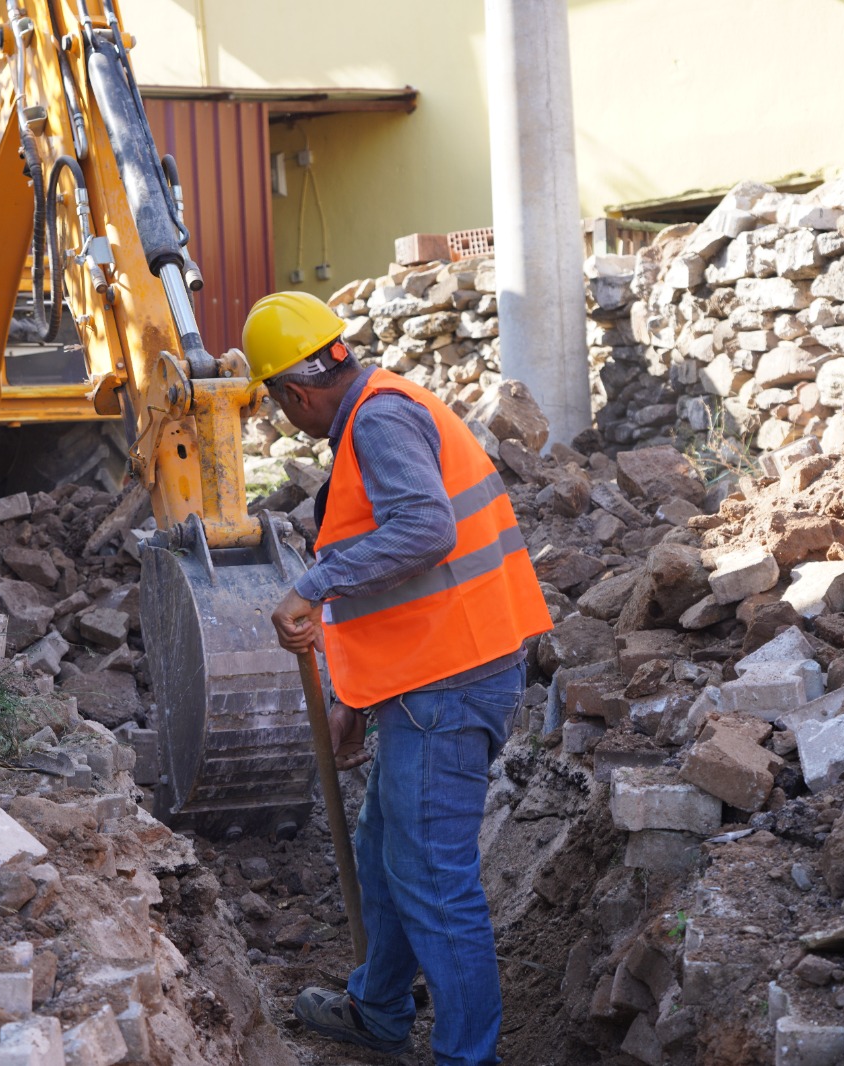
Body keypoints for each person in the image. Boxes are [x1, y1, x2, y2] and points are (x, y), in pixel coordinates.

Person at [245, 291, 553, 1066]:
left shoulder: (378, 421)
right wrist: (356, 694)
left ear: (294, 393)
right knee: (390, 848)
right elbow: (403, 572)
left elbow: (423, 529)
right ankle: (379, 1009)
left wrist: (309, 586)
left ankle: (466, 1054)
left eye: (279, 407)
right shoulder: (376, 408)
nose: (287, 419)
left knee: (433, 881)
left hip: (449, 685)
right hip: (429, 676)